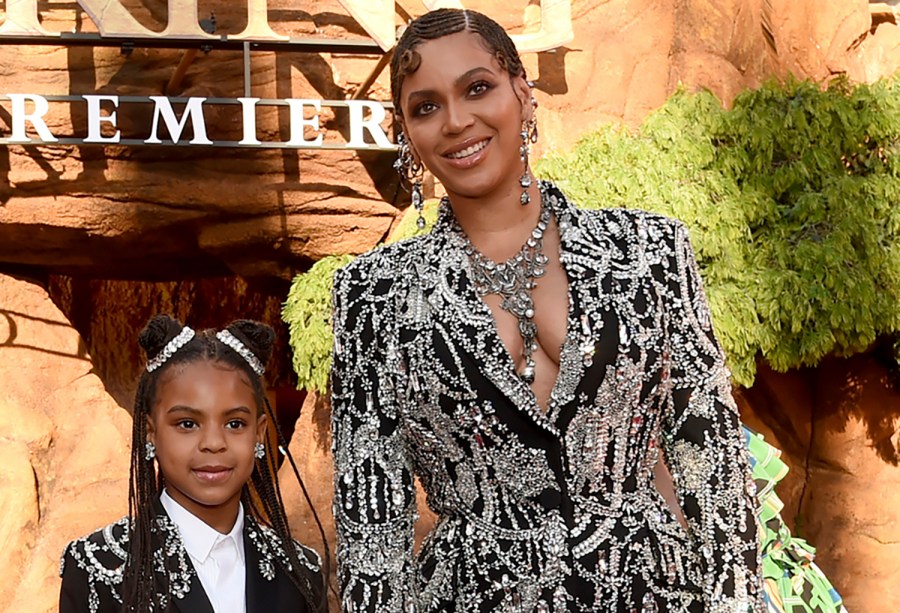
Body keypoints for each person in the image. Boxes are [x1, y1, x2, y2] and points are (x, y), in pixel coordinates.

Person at [329, 7, 763, 613]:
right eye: (425, 107)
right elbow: (372, 529)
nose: (456, 121)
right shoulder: (373, 296)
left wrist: (740, 602)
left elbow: (711, 462)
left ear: (523, 95)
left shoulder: (650, 254)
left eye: (477, 87)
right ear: (406, 133)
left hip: (651, 594)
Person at [59, 315, 326, 613]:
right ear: (151, 433)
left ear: (259, 434)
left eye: (235, 423)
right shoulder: (100, 567)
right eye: (187, 423)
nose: (213, 442)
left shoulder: (299, 571)